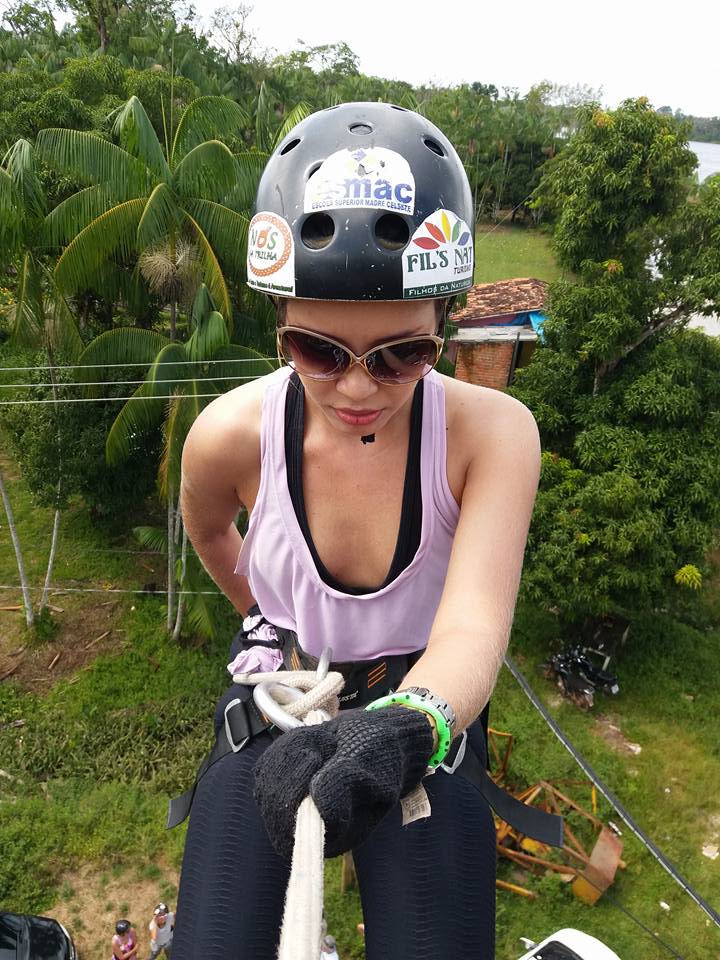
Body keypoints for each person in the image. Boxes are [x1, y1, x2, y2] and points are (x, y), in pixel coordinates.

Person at [172, 102, 551, 960]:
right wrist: (267, 617)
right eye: (318, 350)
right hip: (284, 687)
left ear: (444, 324)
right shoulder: (229, 436)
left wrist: (412, 723)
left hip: (422, 695)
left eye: (401, 355)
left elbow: (473, 627)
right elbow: (211, 532)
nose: (356, 389)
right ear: (279, 326)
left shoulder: (492, 437)